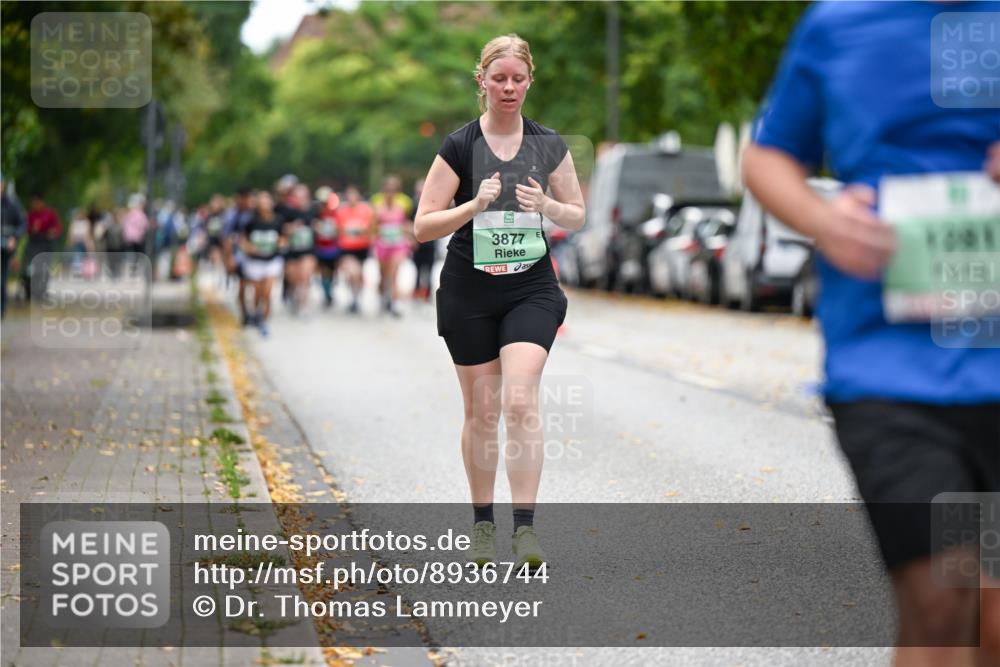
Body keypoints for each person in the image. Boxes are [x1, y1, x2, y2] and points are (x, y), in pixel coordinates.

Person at [742, 4, 1000, 666]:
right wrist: (823, 220)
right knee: (946, 596)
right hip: (890, 371)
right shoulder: (840, 22)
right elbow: (769, 155)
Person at [414, 34, 585, 569]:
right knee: (483, 413)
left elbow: (577, 214)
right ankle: (483, 523)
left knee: (518, 400)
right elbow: (422, 226)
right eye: (499, 79)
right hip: (469, 289)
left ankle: (526, 532)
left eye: (518, 79)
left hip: (530, 288)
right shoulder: (459, 145)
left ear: (529, 81)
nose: (508, 88)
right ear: (482, 82)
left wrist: (549, 205)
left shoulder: (549, 144)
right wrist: (474, 204)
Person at [240, 191, 285, 337]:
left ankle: (264, 321)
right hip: (255, 262)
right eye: (261, 201)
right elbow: (243, 240)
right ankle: (257, 313)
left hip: (272, 260)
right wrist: (248, 247)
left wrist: (281, 243)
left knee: (267, 292)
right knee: (258, 293)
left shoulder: (278, 220)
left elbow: (283, 237)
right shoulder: (251, 221)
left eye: (267, 201)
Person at [371, 175, 413, 317]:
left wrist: (410, 234)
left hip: (398, 245)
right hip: (382, 245)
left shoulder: (402, 206)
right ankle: (383, 298)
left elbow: (405, 223)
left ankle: (395, 304)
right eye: (387, 190)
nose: (390, 193)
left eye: (393, 190)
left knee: (394, 274)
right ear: (383, 191)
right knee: (383, 275)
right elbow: (372, 227)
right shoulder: (377, 206)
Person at [333, 185, 374, 314]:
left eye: (354, 195)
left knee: (358, 275)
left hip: (362, 247)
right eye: (349, 195)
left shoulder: (366, 210)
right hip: (347, 248)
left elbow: (371, 228)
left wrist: (361, 230)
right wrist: (347, 230)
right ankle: (354, 297)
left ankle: (355, 298)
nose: (352, 198)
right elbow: (337, 229)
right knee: (352, 273)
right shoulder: (341, 211)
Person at [281, 183, 317, 314]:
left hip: (308, 250)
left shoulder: (314, 211)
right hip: (292, 251)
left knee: (305, 276)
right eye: (297, 196)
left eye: (303, 196)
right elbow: (280, 229)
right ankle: (293, 295)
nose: (300, 198)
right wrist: (292, 227)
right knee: (294, 278)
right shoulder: (287, 211)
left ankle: (305, 305)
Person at [223, 187, 256, 326]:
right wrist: (229, 258)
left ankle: (254, 312)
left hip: (256, 255)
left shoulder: (255, 214)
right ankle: (245, 312)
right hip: (240, 255)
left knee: (256, 286)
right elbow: (227, 238)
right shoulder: (232, 216)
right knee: (242, 285)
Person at [22, 194, 62, 301]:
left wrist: (53, 232)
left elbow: (57, 227)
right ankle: (29, 291)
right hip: (34, 243)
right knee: (30, 268)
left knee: (44, 268)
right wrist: (33, 229)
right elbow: (25, 228)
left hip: (46, 243)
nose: (34, 205)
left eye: (36, 202)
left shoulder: (50, 213)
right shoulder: (31, 214)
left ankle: (42, 292)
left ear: (41, 202)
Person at [1, 174, 25, 317]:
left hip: (5, 248)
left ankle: (1, 309)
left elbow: (22, 224)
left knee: (1, 279)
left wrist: (14, 237)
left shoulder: (12, 203)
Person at [313, 187, 342, 309]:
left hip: (333, 247)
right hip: (321, 247)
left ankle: (329, 290)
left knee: (333, 272)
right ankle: (327, 293)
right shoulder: (316, 214)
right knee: (324, 271)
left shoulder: (336, 213)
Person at [411, 178, 436, 302]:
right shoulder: (413, 205)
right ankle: (417, 291)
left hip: (430, 244)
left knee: (429, 270)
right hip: (418, 244)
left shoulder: (433, 205)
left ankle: (427, 293)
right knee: (417, 270)